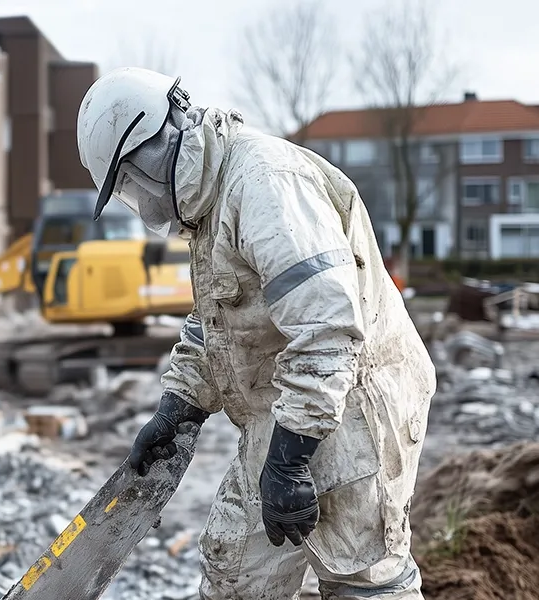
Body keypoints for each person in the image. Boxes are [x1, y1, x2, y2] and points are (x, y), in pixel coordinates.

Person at [75, 67, 437, 600]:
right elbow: (219, 318)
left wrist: (289, 460)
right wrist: (178, 407)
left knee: (362, 578)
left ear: (155, 148)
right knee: (236, 572)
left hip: (350, 404)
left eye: (132, 184)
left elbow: (327, 327)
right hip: (283, 408)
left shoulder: (264, 182)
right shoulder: (211, 203)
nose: (144, 203)